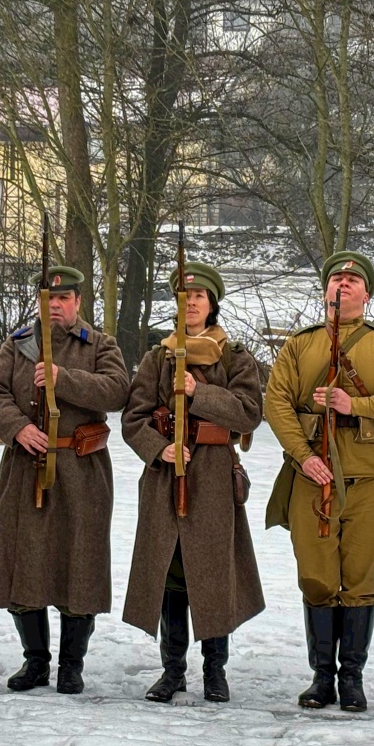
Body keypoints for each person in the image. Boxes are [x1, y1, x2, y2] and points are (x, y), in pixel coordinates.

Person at [263, 251, 374, 712]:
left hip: (370, 477)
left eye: (353, 280)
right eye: (336, 278)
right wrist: (303, 457)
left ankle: (352, 678)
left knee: (359, 577)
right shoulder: (300, 346)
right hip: (312, 475)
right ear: (325, 291)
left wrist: (354, 405)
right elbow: (276, 403)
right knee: (316, 577)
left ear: (366, 295)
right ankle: (322, 678)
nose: (344, 283)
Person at [0, 265, 129, 695]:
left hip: (81, 471)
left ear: (78, 301)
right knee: (24, 563)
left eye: (64, 298)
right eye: (49, 299)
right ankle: (36, 661)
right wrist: (17, 428)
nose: (56, 305)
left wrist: (65, 379)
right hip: (26, 468)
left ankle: (71, 665)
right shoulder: (19, 344)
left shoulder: (99, 345)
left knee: (79, 565)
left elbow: (118, 391)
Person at [120, 262, 265, 703]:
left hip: (214, 479)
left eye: (200, 296)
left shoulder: (234, 356)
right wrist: (159, 448)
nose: (192, 303)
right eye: (185, 297)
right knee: (170, 573)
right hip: (166, 477)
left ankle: (215, 671)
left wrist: (198, 392)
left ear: (212, 303)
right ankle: (173, 671)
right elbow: (133, 418)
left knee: (213, 573)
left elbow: (248, 413)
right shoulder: (157, 358)